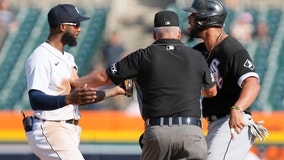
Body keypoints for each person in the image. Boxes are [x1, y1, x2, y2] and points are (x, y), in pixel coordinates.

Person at [71, 10, 217, 159]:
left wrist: (75, 82)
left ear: (154, 34)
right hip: (191, 132)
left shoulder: (141, 56)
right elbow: (211, 92)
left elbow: (103, 77)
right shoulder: (197, 57)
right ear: (178, 33)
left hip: (158, 131)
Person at [25, 4, 125, 160]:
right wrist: (68, 99)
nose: (80, 29)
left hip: (68, 129)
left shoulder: (68, 58)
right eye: (76, 24)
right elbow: (35, 99)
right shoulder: (40, 57)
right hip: (50, 127)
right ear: (63, 26)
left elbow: (79, 96)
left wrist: (114, 91)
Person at [183, 0, 261, 160]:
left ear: (204, 19)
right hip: (216, 125)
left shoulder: (231, 49)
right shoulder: (200, 51)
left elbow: (252, 83)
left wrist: (238, 108)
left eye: (193, 15)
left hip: (233, 124)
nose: (189, 19)